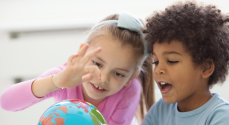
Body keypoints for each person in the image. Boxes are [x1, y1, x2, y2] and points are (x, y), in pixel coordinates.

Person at [0, 12, 155, 125]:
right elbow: (6, 102)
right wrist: (55, 81)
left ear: (132, 77)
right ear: (82, 53)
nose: (103, 78)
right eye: (97, 64)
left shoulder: (130, 91)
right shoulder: (64, 77)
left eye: (118, 74)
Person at [141, 1, 229, 125]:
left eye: (171, 61)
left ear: (205, 68)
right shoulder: (160, 109)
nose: (158, 69)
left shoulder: (221, 115)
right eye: (156, 61)